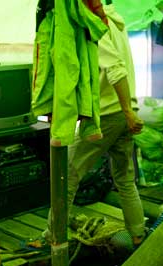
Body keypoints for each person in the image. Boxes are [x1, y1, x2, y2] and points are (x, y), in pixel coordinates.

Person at [34, 0, 146, 247]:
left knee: (67, 174)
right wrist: (129, 111)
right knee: (125, 178)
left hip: (108, 114)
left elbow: (115, 68)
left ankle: (51, 236)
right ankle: (138, 235)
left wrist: (127, 111)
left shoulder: (96, 26)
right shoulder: (116, 21)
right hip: (123, 112)